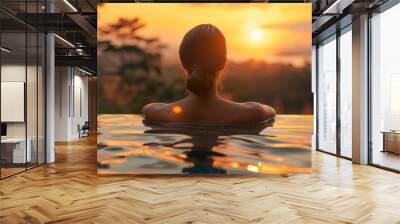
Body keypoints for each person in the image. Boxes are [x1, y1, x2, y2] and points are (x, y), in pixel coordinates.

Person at [142, 24, 275, 125]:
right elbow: (270, 111)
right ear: (223, 63)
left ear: (183, 63)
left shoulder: (158, 114)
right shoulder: (253, 113)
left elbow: (147, 109)